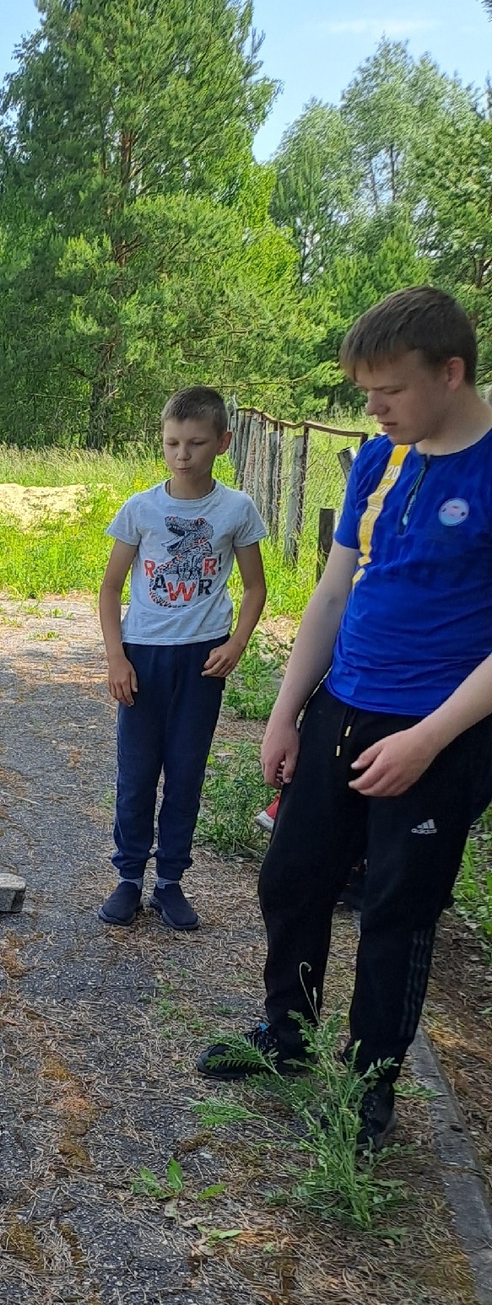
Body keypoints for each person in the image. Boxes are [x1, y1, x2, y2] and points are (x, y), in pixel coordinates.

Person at [198, 287, 492, 1153]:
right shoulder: (379, 460)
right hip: (344, 704)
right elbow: (333, 593)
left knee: (398, 913)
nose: (373, 409)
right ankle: (286, 1040)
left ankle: (369, 1092)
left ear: (452, 372)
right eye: (364, 393)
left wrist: (429, 739)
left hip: (445, 731)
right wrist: (288, 713)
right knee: (291, 878)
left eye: (389, 391)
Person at [97, 386, 268, 930]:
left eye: (196, 443)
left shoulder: (236, 509)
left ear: (222, 442)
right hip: (144, 656)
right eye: (172, 442)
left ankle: (170, 882)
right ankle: (128, 878)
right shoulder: (141, 508)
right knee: (137, 772)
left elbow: (255, 588)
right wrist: (116, 658)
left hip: (201, 660)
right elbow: (109, 590)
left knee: (186, 771)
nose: (182, 454)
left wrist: (236, 643)